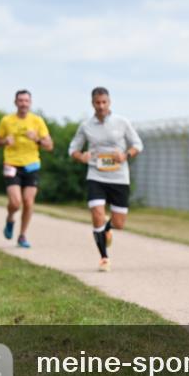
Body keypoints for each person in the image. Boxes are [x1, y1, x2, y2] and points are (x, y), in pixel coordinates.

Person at [68, 87, 143, 272]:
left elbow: (138, 144)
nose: (101, 106)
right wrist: (81, 157)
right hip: (96, 175)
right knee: (97, 215)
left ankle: (107, 228)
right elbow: (73, 150)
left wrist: (126, 155)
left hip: (119, 177)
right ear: (92, 103)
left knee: (119, 224)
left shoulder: (122, 122)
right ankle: (104, 258)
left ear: (109, 102)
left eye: (104, 102)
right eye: (97, 103)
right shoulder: (86, 126)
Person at [0, 90, 53, 248]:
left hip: (31, 165)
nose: (23, 103)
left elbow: (49, 145)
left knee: (28, 201)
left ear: (30, 103)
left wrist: (38, 139)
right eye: (20, 100)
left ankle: (22, 235)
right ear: (15, 102)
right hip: (11, 164)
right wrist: (4, 141)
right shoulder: (6, 120)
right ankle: (10, 217)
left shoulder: (37, 121)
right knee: (15, 202)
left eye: (26, 101)